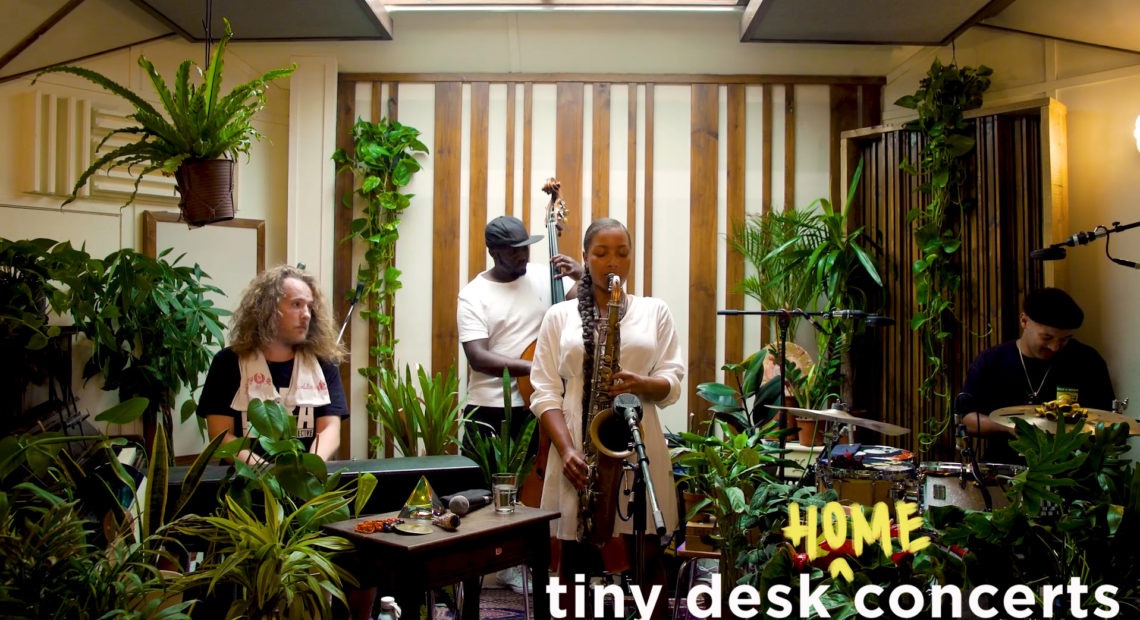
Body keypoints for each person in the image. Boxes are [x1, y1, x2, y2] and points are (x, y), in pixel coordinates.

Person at [529, 218, 684, 620]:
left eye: (622, 252)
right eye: (600, 253)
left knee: (649, 560)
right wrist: (565, 451)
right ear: (584, 257)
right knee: (573, 567)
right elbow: (544, 390)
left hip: (638, 442)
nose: (612, 261)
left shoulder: (655, 311)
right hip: (577, 449)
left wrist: (642, 384)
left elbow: (673, 380)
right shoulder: (558, 317)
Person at [457, 213, 581, 593]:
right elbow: (478, 357)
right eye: (514, 253)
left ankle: (528, 561)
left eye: (526, 250)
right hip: (491, 407)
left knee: (533, 492)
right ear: (493, 251)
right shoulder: (473, 294)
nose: (524, 259)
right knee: (487, 492)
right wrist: (538, 366)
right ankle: (478, 571)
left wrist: (580, 275)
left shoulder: (545, 277)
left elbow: (581, 307)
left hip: (539, 406)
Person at [197, 264, 348, 464]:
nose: (306, 314)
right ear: (267, 309)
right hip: (244, 485)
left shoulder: (323, 362)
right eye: (296, 304)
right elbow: (220, 435)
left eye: (309, 306)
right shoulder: (228, 363)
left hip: (307, 484)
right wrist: (264, 474)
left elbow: (330, 428)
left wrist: (307, 469)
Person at [962, 287, 1115, 463]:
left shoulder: (1087, 361)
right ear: (1024, 321)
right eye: (1047, 337)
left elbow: (1107, 420)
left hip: (1069, 472)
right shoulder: (992, 360)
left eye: (1064, 339)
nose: (1055, 347)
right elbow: (967, 419)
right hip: (1003, 470)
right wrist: (1009, 427)